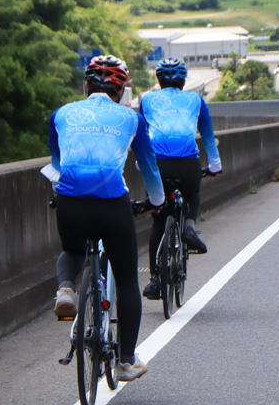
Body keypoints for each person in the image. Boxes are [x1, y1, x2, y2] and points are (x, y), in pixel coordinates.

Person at [49, 55, 164, 381]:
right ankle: (125, 361)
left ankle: (67, 289)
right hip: (112, 203)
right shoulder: (132, 119)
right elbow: (149, 165)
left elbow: (57, 163)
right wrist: (157, 201)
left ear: (86, 86)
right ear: (122, 90)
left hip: (69, 200)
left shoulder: (61, 114)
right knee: (127, 278)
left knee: (72, 250)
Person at [138, 58, 222, 300]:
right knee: (192, 193)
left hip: (158, 165)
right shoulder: (196, 100)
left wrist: (139, 163)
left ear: (159, 80)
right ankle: (189, 227)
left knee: (158, 220)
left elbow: (141, 136)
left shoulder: (146, 100)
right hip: (187, 164)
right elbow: (207, 134)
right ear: (183, 81)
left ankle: (155, 280)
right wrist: (215, 165)